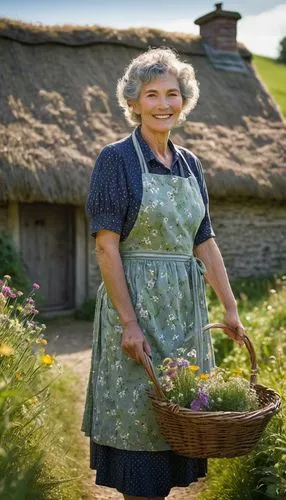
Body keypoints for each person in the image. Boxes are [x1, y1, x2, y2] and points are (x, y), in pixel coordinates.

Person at [81, 47, 245, 500]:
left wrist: (230, 309)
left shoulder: (191, 164)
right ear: (133, 102)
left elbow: (205, 242)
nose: (163, 104)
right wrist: (129, 323)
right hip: (136, 302)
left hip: (185, 310)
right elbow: (105, 245)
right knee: (140, 414)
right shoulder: (115, 160)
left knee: (182, 410)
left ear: (184, 100)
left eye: (172, 93)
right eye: (151, 95)